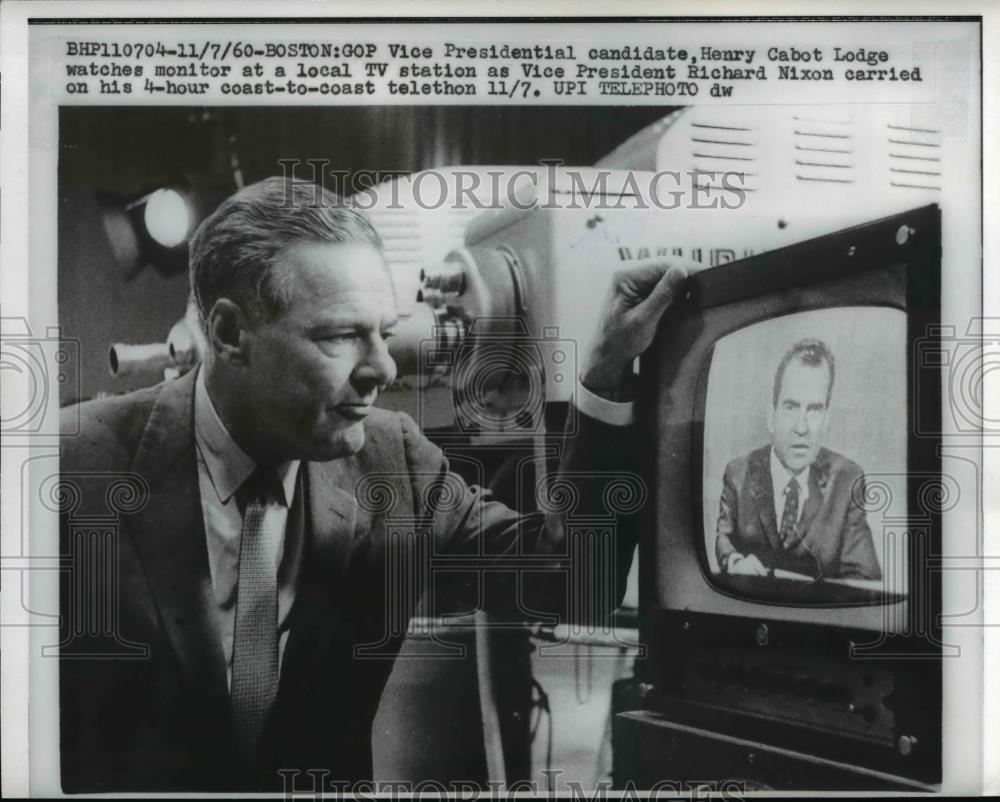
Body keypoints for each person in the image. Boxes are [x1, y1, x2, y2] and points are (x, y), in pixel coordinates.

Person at [58, 177, 688, 792]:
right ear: (229, 334)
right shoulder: (70, 465)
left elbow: (575, 581)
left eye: (383, 334)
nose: (383, 368)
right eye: (340, 336)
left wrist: (604, 377)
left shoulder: (396, 462)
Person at [714, 338, 882, 581]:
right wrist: (735, 561)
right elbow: (724, 538)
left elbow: (865, 581)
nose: (801, 428)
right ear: (771, 416)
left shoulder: (847, 479)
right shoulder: (738, 473)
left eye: (814, 409)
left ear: (826, 419)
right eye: (791, 407)